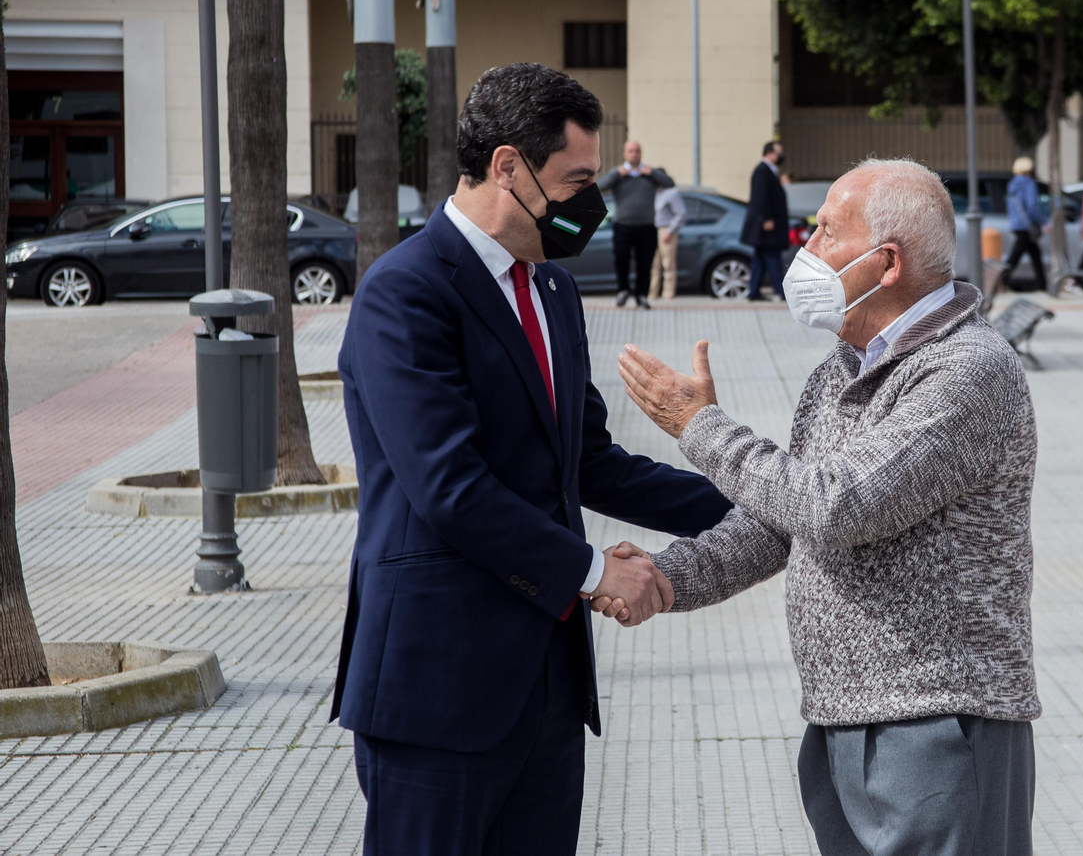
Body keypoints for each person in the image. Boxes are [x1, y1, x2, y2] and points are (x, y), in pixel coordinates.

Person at [332, 64, 731, 856]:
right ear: (508, 167)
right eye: (577, 180)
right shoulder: (404, 292)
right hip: (437, 690)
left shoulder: (550, 289)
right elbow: (451, 488)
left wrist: (763, 498)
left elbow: (592, 463)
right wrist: (592, 570)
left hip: (546, 690)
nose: (592, 203)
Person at [607, 158, 1039, 856]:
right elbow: (782, 520)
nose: (804, 249)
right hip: (845, 719)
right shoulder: (844, 368)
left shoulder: (966, 369)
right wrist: (668, 578)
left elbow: (840, 507)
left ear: (886, 262)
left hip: (936, 724)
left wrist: (699, 425)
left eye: (825, 233)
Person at [598, 139, 674, 309]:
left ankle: (641, 296)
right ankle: (623, 291)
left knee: (645, 263)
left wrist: (652, 173)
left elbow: (670, 182)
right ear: (625, 154)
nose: (634, 154)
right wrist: (617, 174)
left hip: (646, 226)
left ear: (641, 153)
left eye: (637, 151)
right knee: (621, 259)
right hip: (623, 226)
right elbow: (598, 186)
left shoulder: (649, 174)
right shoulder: (618, 174)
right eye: (630, 151)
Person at [739, 140, 789, 301]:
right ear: (769, 153)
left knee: (760, 259)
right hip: (766, 226)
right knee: (772, 257)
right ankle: (779, 291)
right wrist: (766, 219)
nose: (781, 155)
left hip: (765, 226)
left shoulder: (769, 170)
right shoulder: (762, 171)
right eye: (778, 152)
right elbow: (760, 197)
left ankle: (753, 292)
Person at [1002, 155, 1048, 291]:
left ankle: (1042, 285)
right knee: (1015, 256)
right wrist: (1044, 221)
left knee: (1035, 254)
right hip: (1027, 225)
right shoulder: (1029, 183)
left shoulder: (1012, 184)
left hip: (1016, 223)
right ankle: (1000, 280)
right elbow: (1032, 206)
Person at [649, 183, 686, 301]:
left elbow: (681, 213)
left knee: (668, 263)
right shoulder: (652, 194)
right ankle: (652, 293)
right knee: (654, 264)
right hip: (652, 229)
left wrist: (670, 231)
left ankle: (668, 294)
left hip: (665, 229)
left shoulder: (671, 193)